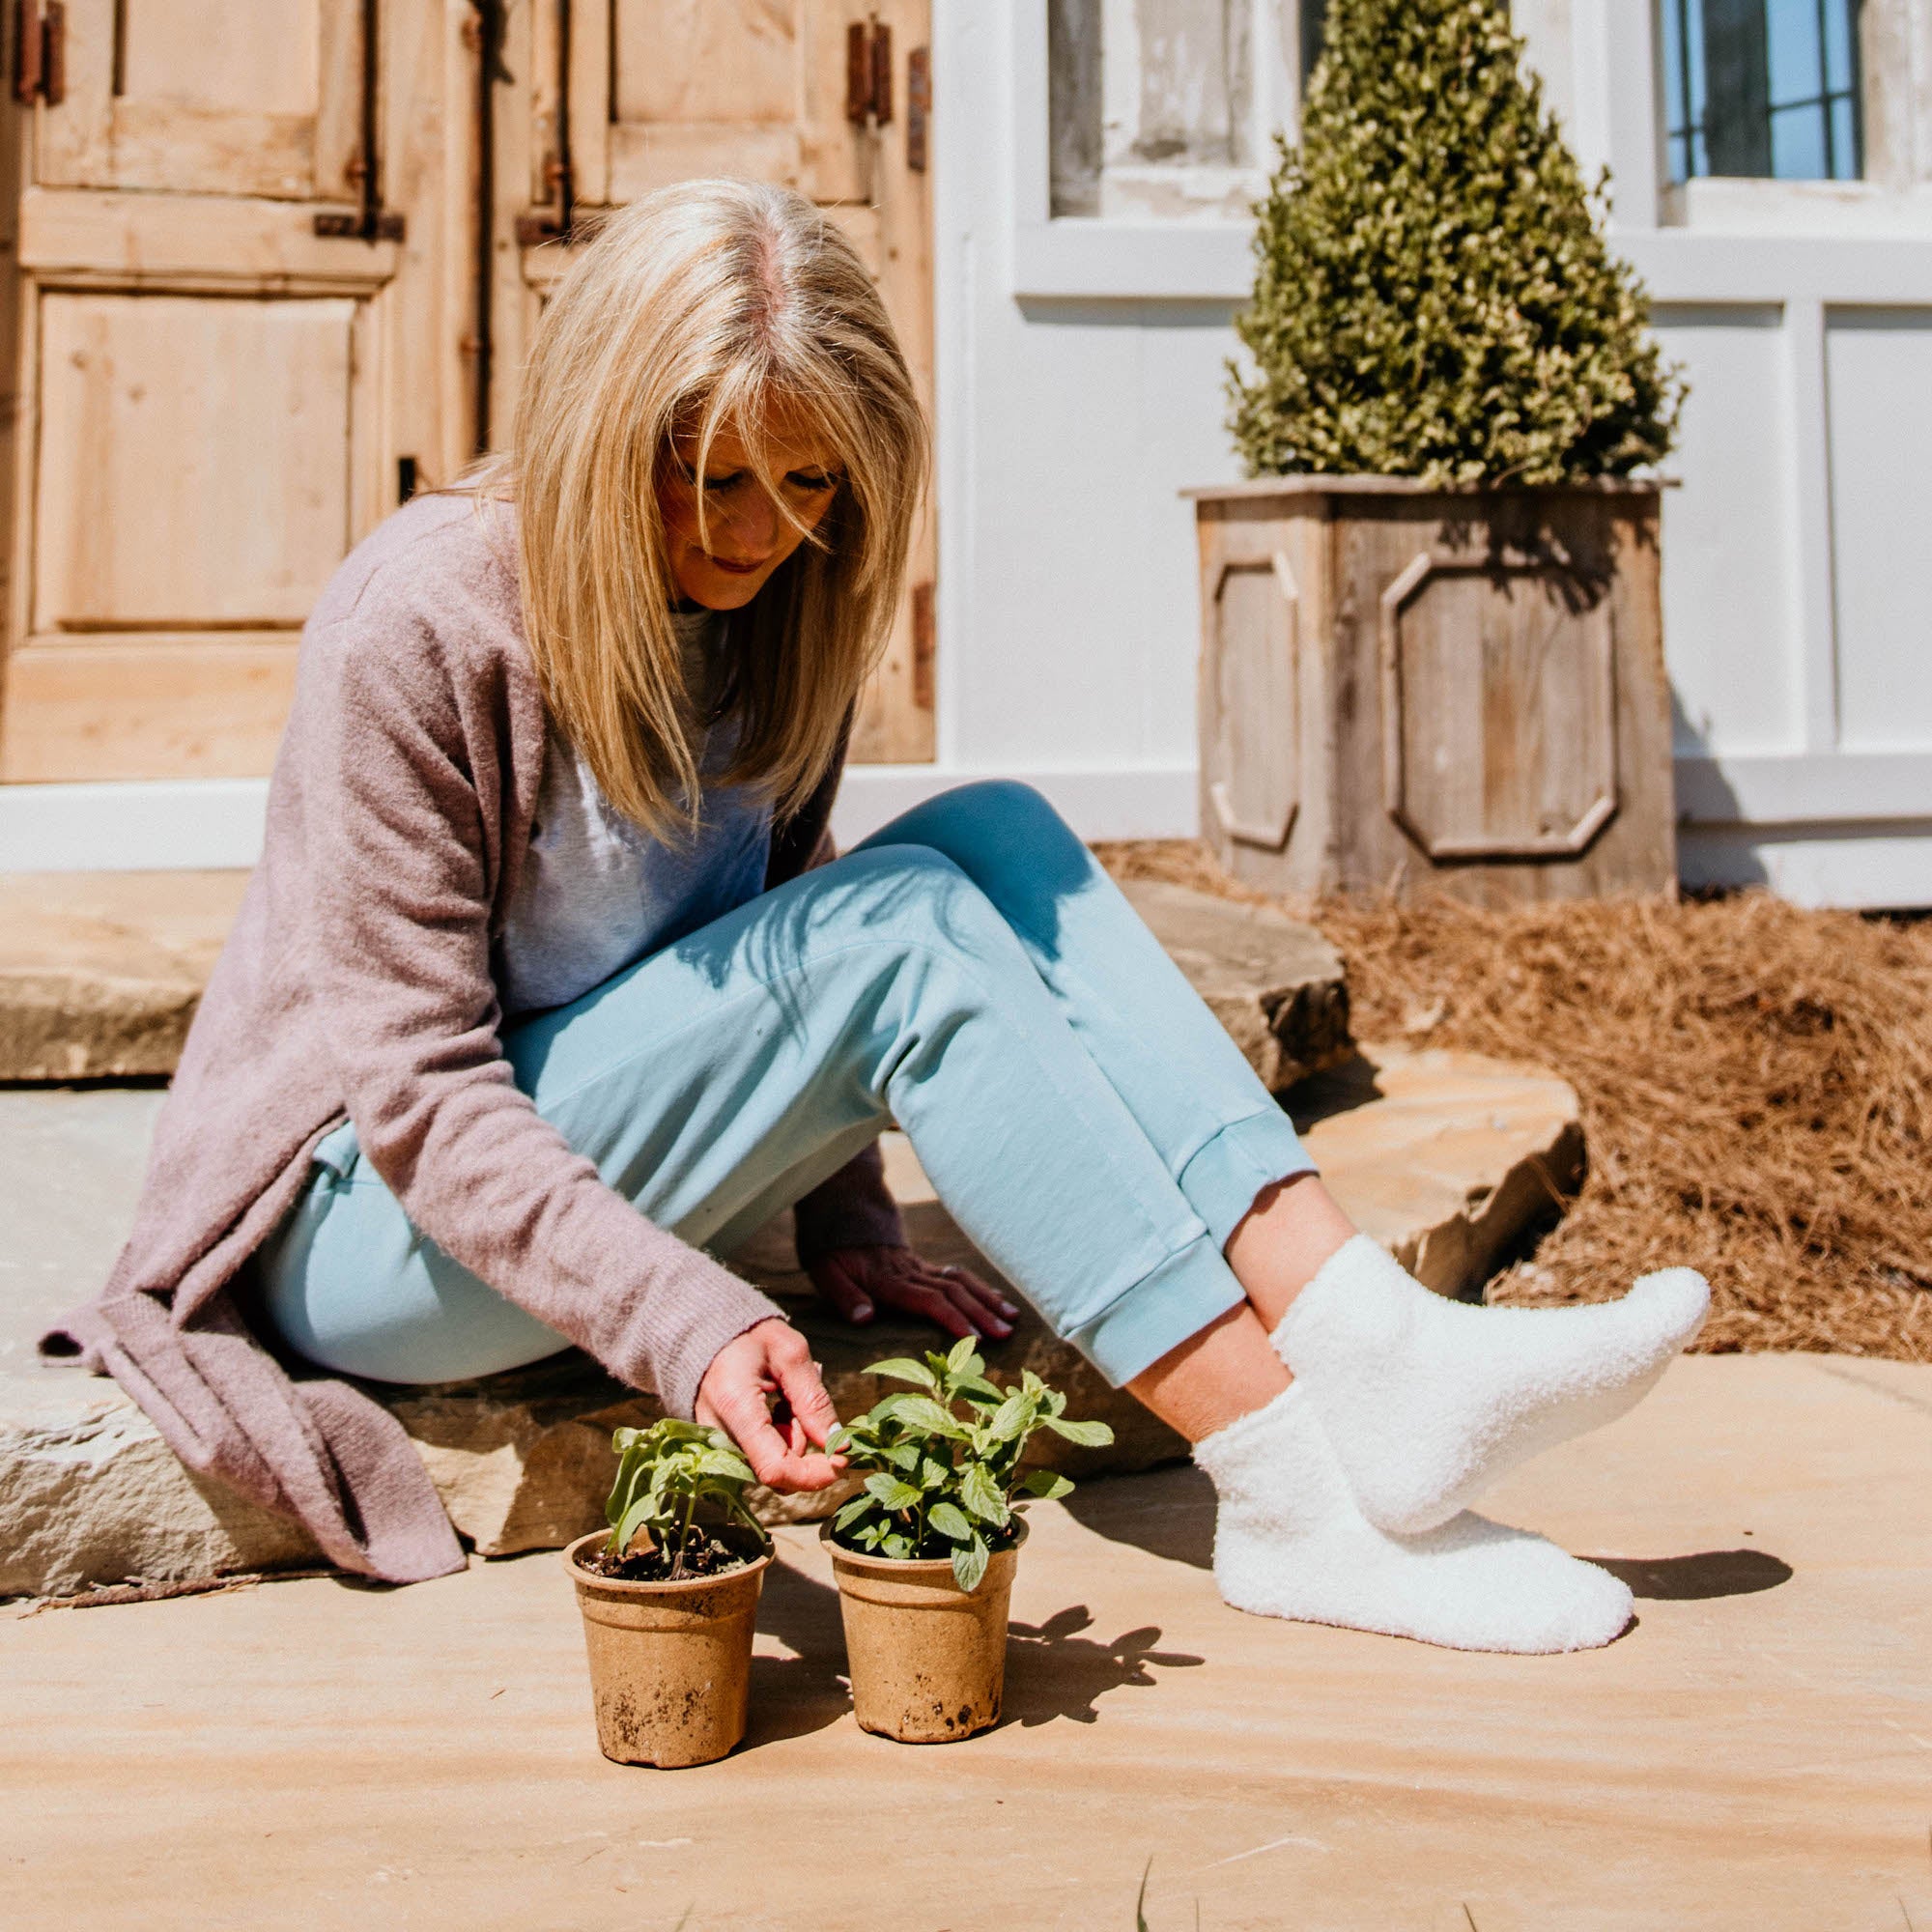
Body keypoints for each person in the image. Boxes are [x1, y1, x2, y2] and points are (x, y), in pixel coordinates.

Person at [47, 181, 1707, 1652]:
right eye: (703, 477)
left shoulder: (783, 607)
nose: (755, 536)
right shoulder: (421, 617)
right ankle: (1282, 1487)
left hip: (564, 1129)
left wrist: (845, 1221)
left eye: (807, 483)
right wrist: (684, 1312)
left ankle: (1362, 1334)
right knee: (900, 930)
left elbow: (769, 922)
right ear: (597, 426)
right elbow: (421, 1095)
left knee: (994, 835)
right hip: (364, 1231)